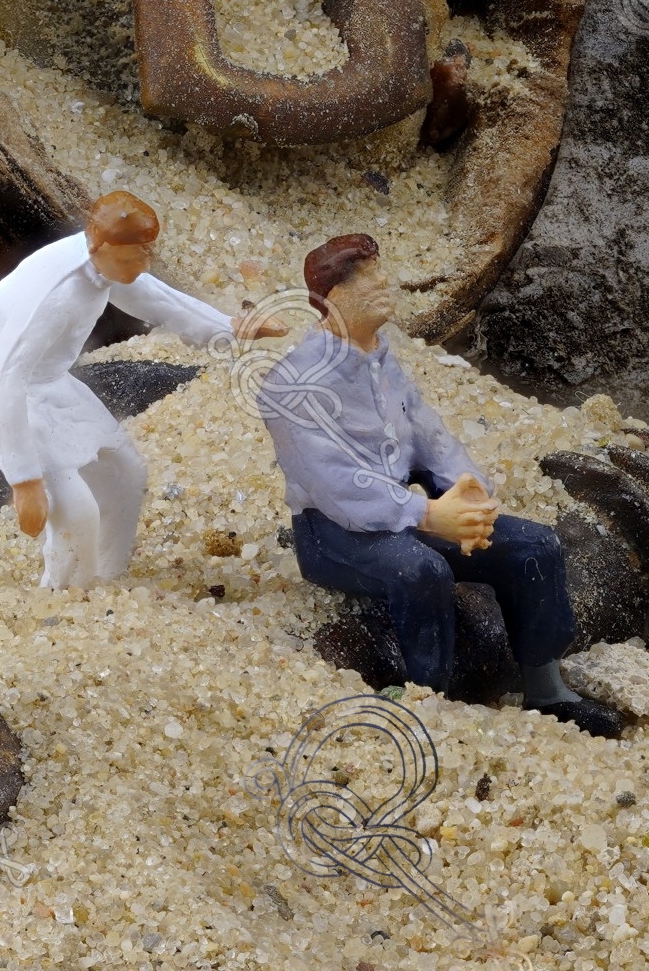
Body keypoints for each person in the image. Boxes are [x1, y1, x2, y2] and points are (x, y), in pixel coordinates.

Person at [261, 234, 621, 735]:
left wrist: (467, 489)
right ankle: (430, 699)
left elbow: (428, 434)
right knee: (421, 570)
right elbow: (335, 483)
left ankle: (547, 687)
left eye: (379, 271)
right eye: (368, 277)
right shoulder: (293, 383)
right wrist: (429, 515)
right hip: (335, 532)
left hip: (409, 511)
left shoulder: (381, 361)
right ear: (336, 296)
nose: (384, 283)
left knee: (534, 547)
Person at [0, 192, 271, 588]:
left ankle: (107, 574)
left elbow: (157, 298)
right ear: (100, 245)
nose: (144, 265)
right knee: (74, 506)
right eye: (136, 256)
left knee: (125, 470)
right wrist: (25, 480)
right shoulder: (55, 294)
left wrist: (231, 327)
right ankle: (65, 594)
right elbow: (8, 375)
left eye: (147, 254)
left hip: (48, 381)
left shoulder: (106, 266)